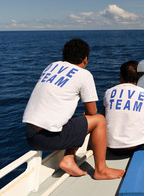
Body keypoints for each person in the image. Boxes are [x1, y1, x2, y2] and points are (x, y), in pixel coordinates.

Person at [22, 38, 125, 180]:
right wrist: (89, 116)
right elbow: (92, 112)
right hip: (48, 138)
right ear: (85, 59)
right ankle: (101, 170)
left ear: (64, 56)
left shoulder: (52, 66)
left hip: (30, 135)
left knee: (78, 122)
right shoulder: (84, 74)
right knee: (99, 120)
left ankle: (69, 159)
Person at [103, 60, 144, 155]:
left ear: (121, 76)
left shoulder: (108, 92)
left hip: (111, 148)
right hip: (139, 147)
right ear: (140, 78)